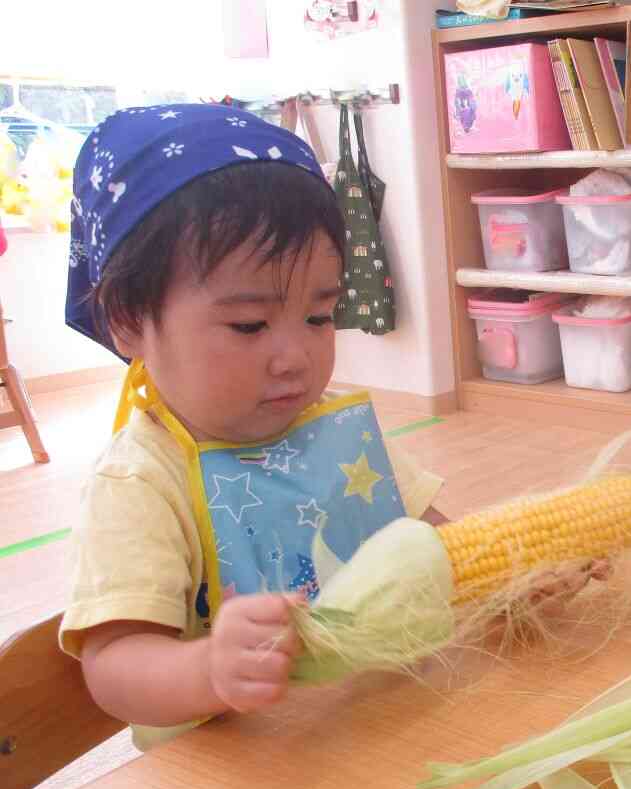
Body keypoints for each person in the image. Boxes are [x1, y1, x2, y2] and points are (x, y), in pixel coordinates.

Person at [57, 104, 451, 748]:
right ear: (129, 322)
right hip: (233, 779)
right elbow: (113, 667)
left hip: (374, 728)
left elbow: (433, 541)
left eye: (320, 318)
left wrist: (517, 573)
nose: (295, 357)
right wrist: (207, 668)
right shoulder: (142, 481)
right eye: (249, 325)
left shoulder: (332, 429)